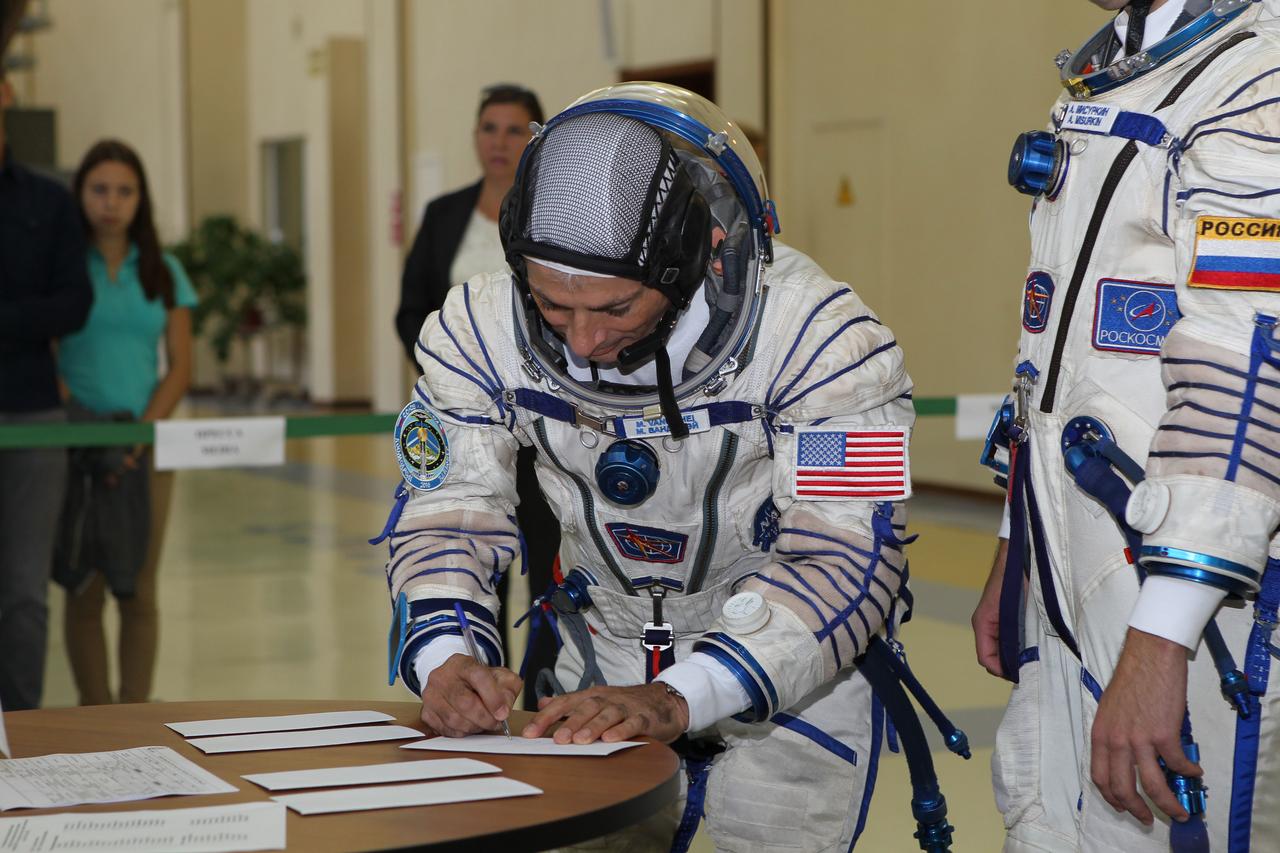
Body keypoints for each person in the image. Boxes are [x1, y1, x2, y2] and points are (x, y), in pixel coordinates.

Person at [375, 82, 917, 851]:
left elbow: (844, 555)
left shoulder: (822, 343)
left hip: (784, 680)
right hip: (596, 663)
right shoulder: (479, 327)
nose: (583, 342)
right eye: (553, 308)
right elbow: (448, 507)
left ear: (694, 261)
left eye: (615, 309)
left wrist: (680, 694)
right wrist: (446, 652)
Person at [972, 1, 1280, 849]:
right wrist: (1016, 541)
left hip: (1201, 604)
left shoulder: (1257, 77)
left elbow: (1249, 373)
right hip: (1078, 566)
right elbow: (1056, 357)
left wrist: (1162, 639)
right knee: (1048, 816)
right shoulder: (1133, 64)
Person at [395, 83, 560, 709]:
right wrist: (451, 373)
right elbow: (412, 306)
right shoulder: (445, 214)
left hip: (546, 425)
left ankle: (543, 694)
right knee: (470, 550)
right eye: (489, 128)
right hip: (469, 417)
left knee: (550, 564)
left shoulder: (562, 215)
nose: (499, 142)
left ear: (538, 140)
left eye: (514, 130)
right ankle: (478, 681)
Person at [57, 139, 196, 705]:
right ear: (81, 194)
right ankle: (94, 719)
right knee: (84, 588)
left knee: (138, 589)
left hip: (148, 448)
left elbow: (183, 367)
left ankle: (134, 714)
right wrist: (87, 424)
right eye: (99, 190)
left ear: (141, 199)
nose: (111, 203)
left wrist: (139, 435)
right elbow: (44, 354)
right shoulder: (60, 265)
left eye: (124, 191)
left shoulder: (163, 270)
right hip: (74, 443)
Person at [0, 67, 93, 711]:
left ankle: (18, 736)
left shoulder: (48, 202)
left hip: (33, 413)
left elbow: (72, 302)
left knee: (24, 593)